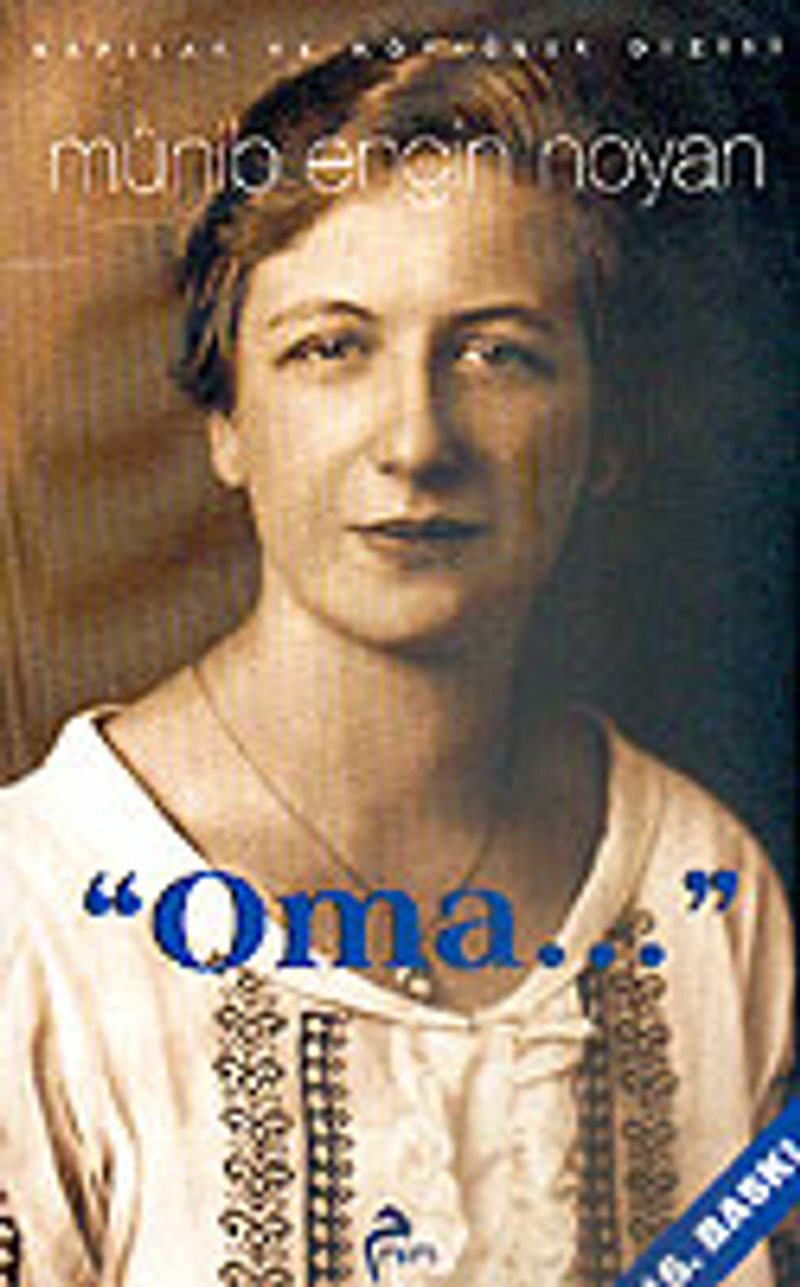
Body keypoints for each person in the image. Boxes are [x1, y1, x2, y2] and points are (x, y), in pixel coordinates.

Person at [0, 36, 795, 1287]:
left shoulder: (705, 894)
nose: (416, 443)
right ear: (226, 420)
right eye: (331, 348)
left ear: (600, 431)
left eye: (496, 352)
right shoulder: (35, 920)